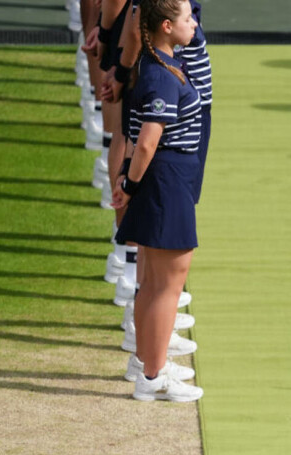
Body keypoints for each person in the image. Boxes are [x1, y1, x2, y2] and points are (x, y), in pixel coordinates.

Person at [111, 0, 203, 402]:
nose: (193, 22)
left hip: (165, 179)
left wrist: (128, 182)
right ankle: (153, 374)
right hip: (166, 180)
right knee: (166, 285)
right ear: (167, 26)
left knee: (151, 285)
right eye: (187, 18)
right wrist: (128, 187)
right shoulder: (162, 76)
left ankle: (149, 366)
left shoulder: (156, 67)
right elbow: (146, 141)